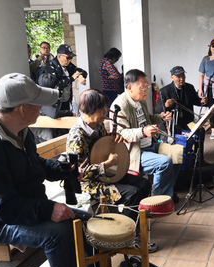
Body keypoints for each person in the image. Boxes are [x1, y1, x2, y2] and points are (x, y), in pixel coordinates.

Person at [0, 73, 99, 267]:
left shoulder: (19, 129)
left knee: (87, 221)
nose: (42, 108)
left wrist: (64, 169)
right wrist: (49, 209)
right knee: (59, 233)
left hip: (24, 206)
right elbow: (5, 208)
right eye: (38, 103)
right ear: (22, 109)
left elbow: (34, 163)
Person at [66, 89, 154, 251]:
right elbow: (79, 174)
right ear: (88, 111)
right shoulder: (77, 137)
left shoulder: (97, 126)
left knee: (144, 184)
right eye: (101, 109)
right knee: (132, 193)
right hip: (89, 184)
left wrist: (116, 140)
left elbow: (103, 147)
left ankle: (129, 227)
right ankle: (125, 237)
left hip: (105, 175)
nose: (105, 111)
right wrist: (106, 165)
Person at [113, 69, 180, 202]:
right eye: (142, 87)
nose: (146, 90)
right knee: (164, 162)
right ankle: (156, 201)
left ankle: (167, 193)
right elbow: (121, 133)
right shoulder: (120, 104)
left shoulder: (140, 100)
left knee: (177, 153)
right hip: (133, 152)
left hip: (149, 145)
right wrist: (143, 132)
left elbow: (147, 118)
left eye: (147, 86)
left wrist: (161, 117)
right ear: (130, 87)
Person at [155, 66, 208, 164]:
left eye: (183, 75)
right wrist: (166, 106)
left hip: (188, 122)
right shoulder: (164, 91)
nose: (181, 78)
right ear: (172, 77)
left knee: (200, 131)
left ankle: (199, 159)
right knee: (178, 136)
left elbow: (196, 100)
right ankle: (180, 160)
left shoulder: (189, 87)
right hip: (173, 125)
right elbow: (157, 110)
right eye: (178, 76)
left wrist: (202, 101)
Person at [42, 44, 87, 115]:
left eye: (71, 58)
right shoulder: (51, 66)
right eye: (68, 57)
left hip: (66, 100)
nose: (70, 60)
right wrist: (71, 78)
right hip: (55, 103)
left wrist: (81, 76)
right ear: (59, 56)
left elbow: (82, 71)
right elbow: (56, 85)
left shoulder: (68, 66)